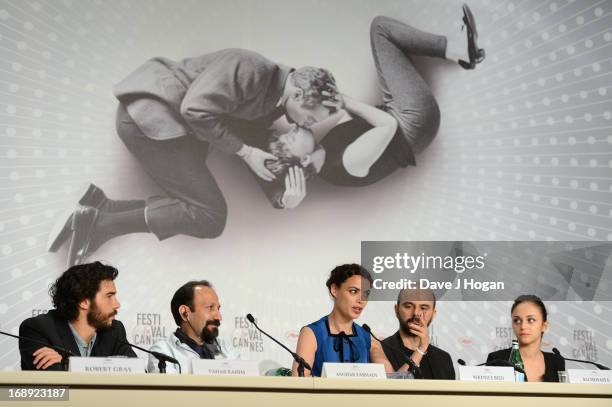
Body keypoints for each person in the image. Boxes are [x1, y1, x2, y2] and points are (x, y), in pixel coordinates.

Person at [47, 49, 339, 266]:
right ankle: (97, 224)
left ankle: (100, 207)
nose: (306, 125)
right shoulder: (253, 69)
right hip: (149, 118)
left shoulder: (275, 102)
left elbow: (254, 149)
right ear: (299, 94)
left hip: (173, 129)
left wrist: (283, 198)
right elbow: (195, 110)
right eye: (311, 118)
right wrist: (247, 151)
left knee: (203, 211)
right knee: (211, 216)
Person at [318, 4, 485, 187]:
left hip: (399, 115)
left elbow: (358, 120)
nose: (293, 131)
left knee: (381, 29)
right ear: (300, 159)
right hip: (412, 123)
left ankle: (460, 52)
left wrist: (331, 102)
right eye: (290, 139)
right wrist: (345, 101)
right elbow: (389, 125)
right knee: (381, 29)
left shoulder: (322, 149)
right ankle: (459, 50)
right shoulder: (344, 164)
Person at [19, 262, 136, 371]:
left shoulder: (115, 330)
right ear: (83, 301)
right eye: (109, 296)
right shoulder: (38, 329)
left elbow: (137, 373)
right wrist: (110, 367)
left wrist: (67, 364)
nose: (117, 304)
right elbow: (55, 380)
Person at [293, 264, 401, 376]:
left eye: (366, 294)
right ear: (334, 289)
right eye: (353, 291)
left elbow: (392, 381)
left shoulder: (368, 337)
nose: (361, 300)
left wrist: (420, 350)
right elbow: (298, 383)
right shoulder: (311, 333)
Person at [147, 281, 239, 374]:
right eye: (210, 307)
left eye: (218, 308)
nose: (219, 317)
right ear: (185, 313)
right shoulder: (163, 352)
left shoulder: (225, 348)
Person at [487, 295, 565, 382]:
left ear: (544, 326)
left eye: (531, 320)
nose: (523, 326)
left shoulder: (556, 361)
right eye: (517, 320)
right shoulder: (497, 360)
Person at [382, 288, 455, 379]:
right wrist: (421, 348)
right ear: (396, 310)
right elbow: (391, 390)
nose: (416, 313)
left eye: (423, 308)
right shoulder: (380, 350)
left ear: (433, 314)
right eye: (408, 306)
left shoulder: (444, 359)